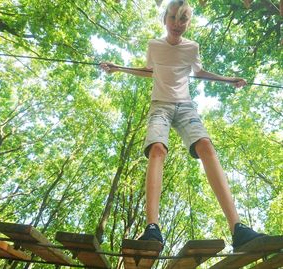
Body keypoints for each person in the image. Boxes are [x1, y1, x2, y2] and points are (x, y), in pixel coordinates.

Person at [100, 0, 265, 250]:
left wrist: (229, 79)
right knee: (157, 149)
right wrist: (119, 68)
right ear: (165, 19)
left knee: (206, 146)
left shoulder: (192, 47)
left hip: (185, 106)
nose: (178, 24)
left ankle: (238, 229)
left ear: (188, 22)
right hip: (160, 106)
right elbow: (148, 71)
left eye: (183, 19)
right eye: (174, 18)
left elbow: (199, 73)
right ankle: (152, 227)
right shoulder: (154, 45)